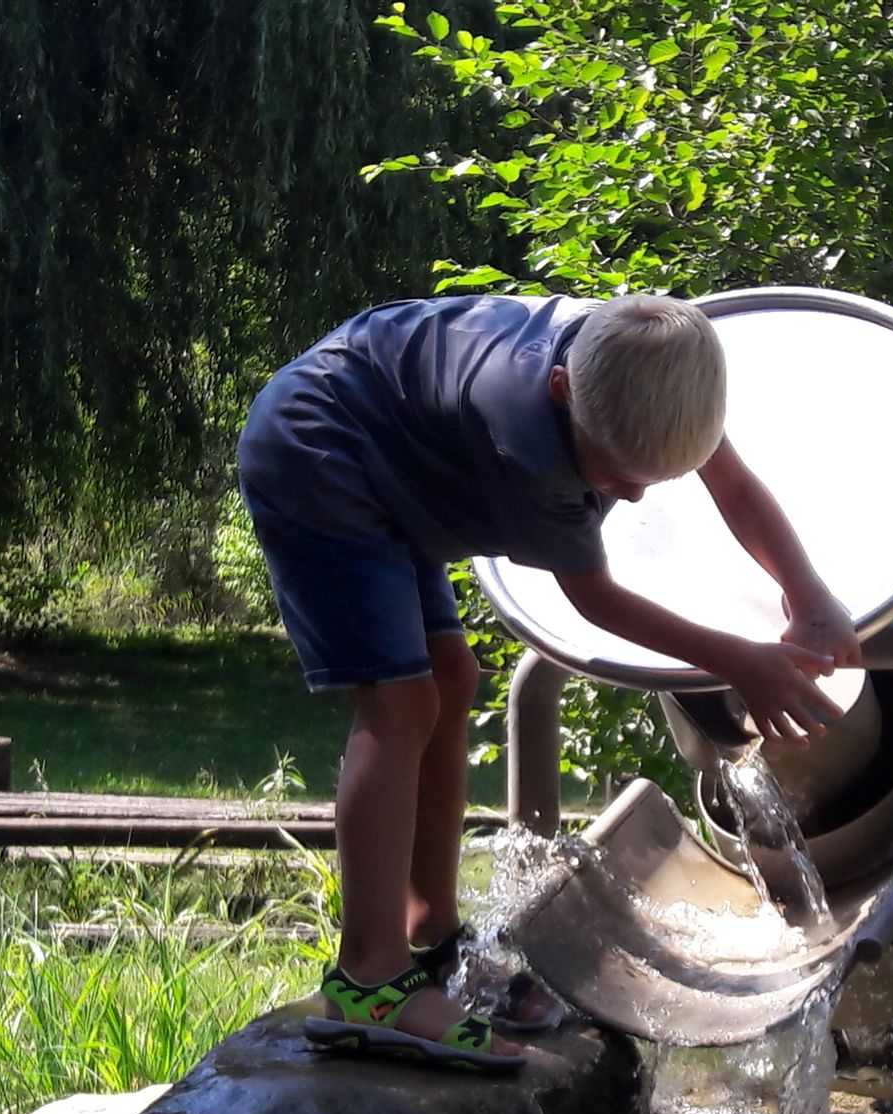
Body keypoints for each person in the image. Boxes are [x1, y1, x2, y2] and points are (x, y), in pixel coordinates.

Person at [236, 293, 861, 1072]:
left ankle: (431, 937)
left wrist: (809, 593)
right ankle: (369, 979)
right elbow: (596, 601)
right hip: (320, 448)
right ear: (564, 392)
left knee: (450, 678)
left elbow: (733, 487)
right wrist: (739, 662)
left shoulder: (653, 378)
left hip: (394, 453)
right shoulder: (528, 437)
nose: (632, 496)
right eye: (618, 475)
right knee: (397, 704)